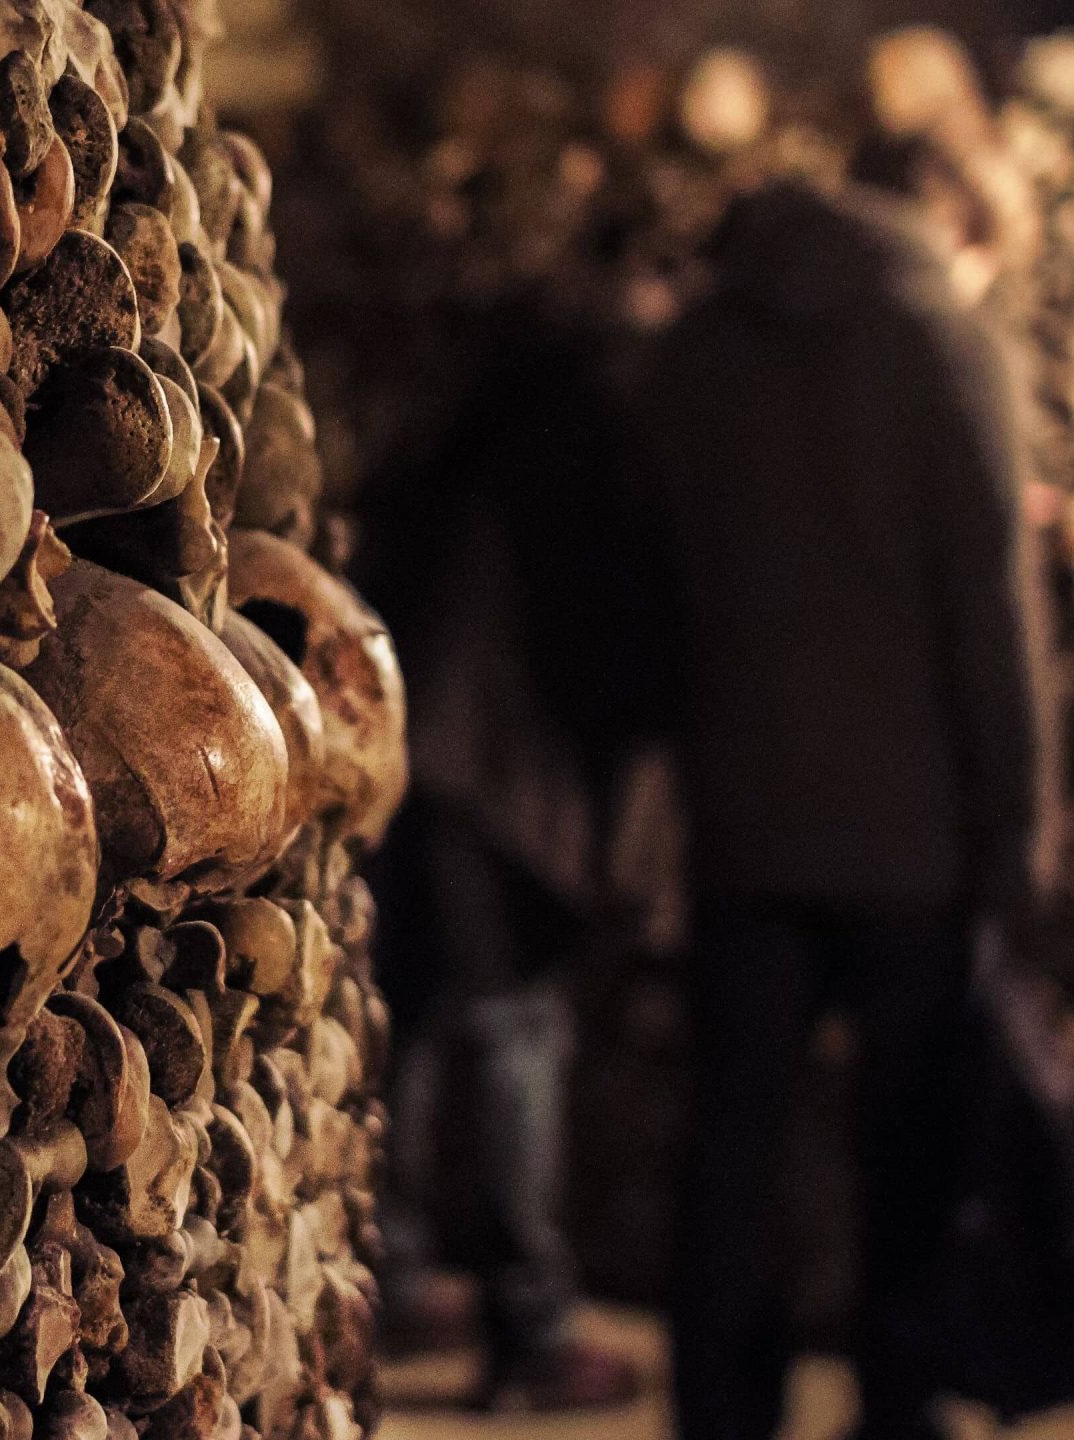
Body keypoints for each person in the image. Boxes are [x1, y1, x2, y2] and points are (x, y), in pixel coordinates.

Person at [635, 134, 1061, 1440]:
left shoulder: (695, 349)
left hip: (744, 820)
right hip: (916, 839)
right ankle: (900, 1406)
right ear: (946, 211)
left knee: (733, 1153)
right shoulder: (946, 345)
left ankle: (719, 1412)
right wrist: (1019, 831)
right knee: (913, 1162)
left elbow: (655, 582)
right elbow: (993, 611)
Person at [362, 294, 654, 1413]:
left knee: (419, 1023)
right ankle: (526, 1329)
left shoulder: (452, 454)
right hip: (497, 788)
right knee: (515, 1038)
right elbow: (601, 648)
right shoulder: (576, 456)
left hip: (419, 766)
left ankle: (393, 1268)